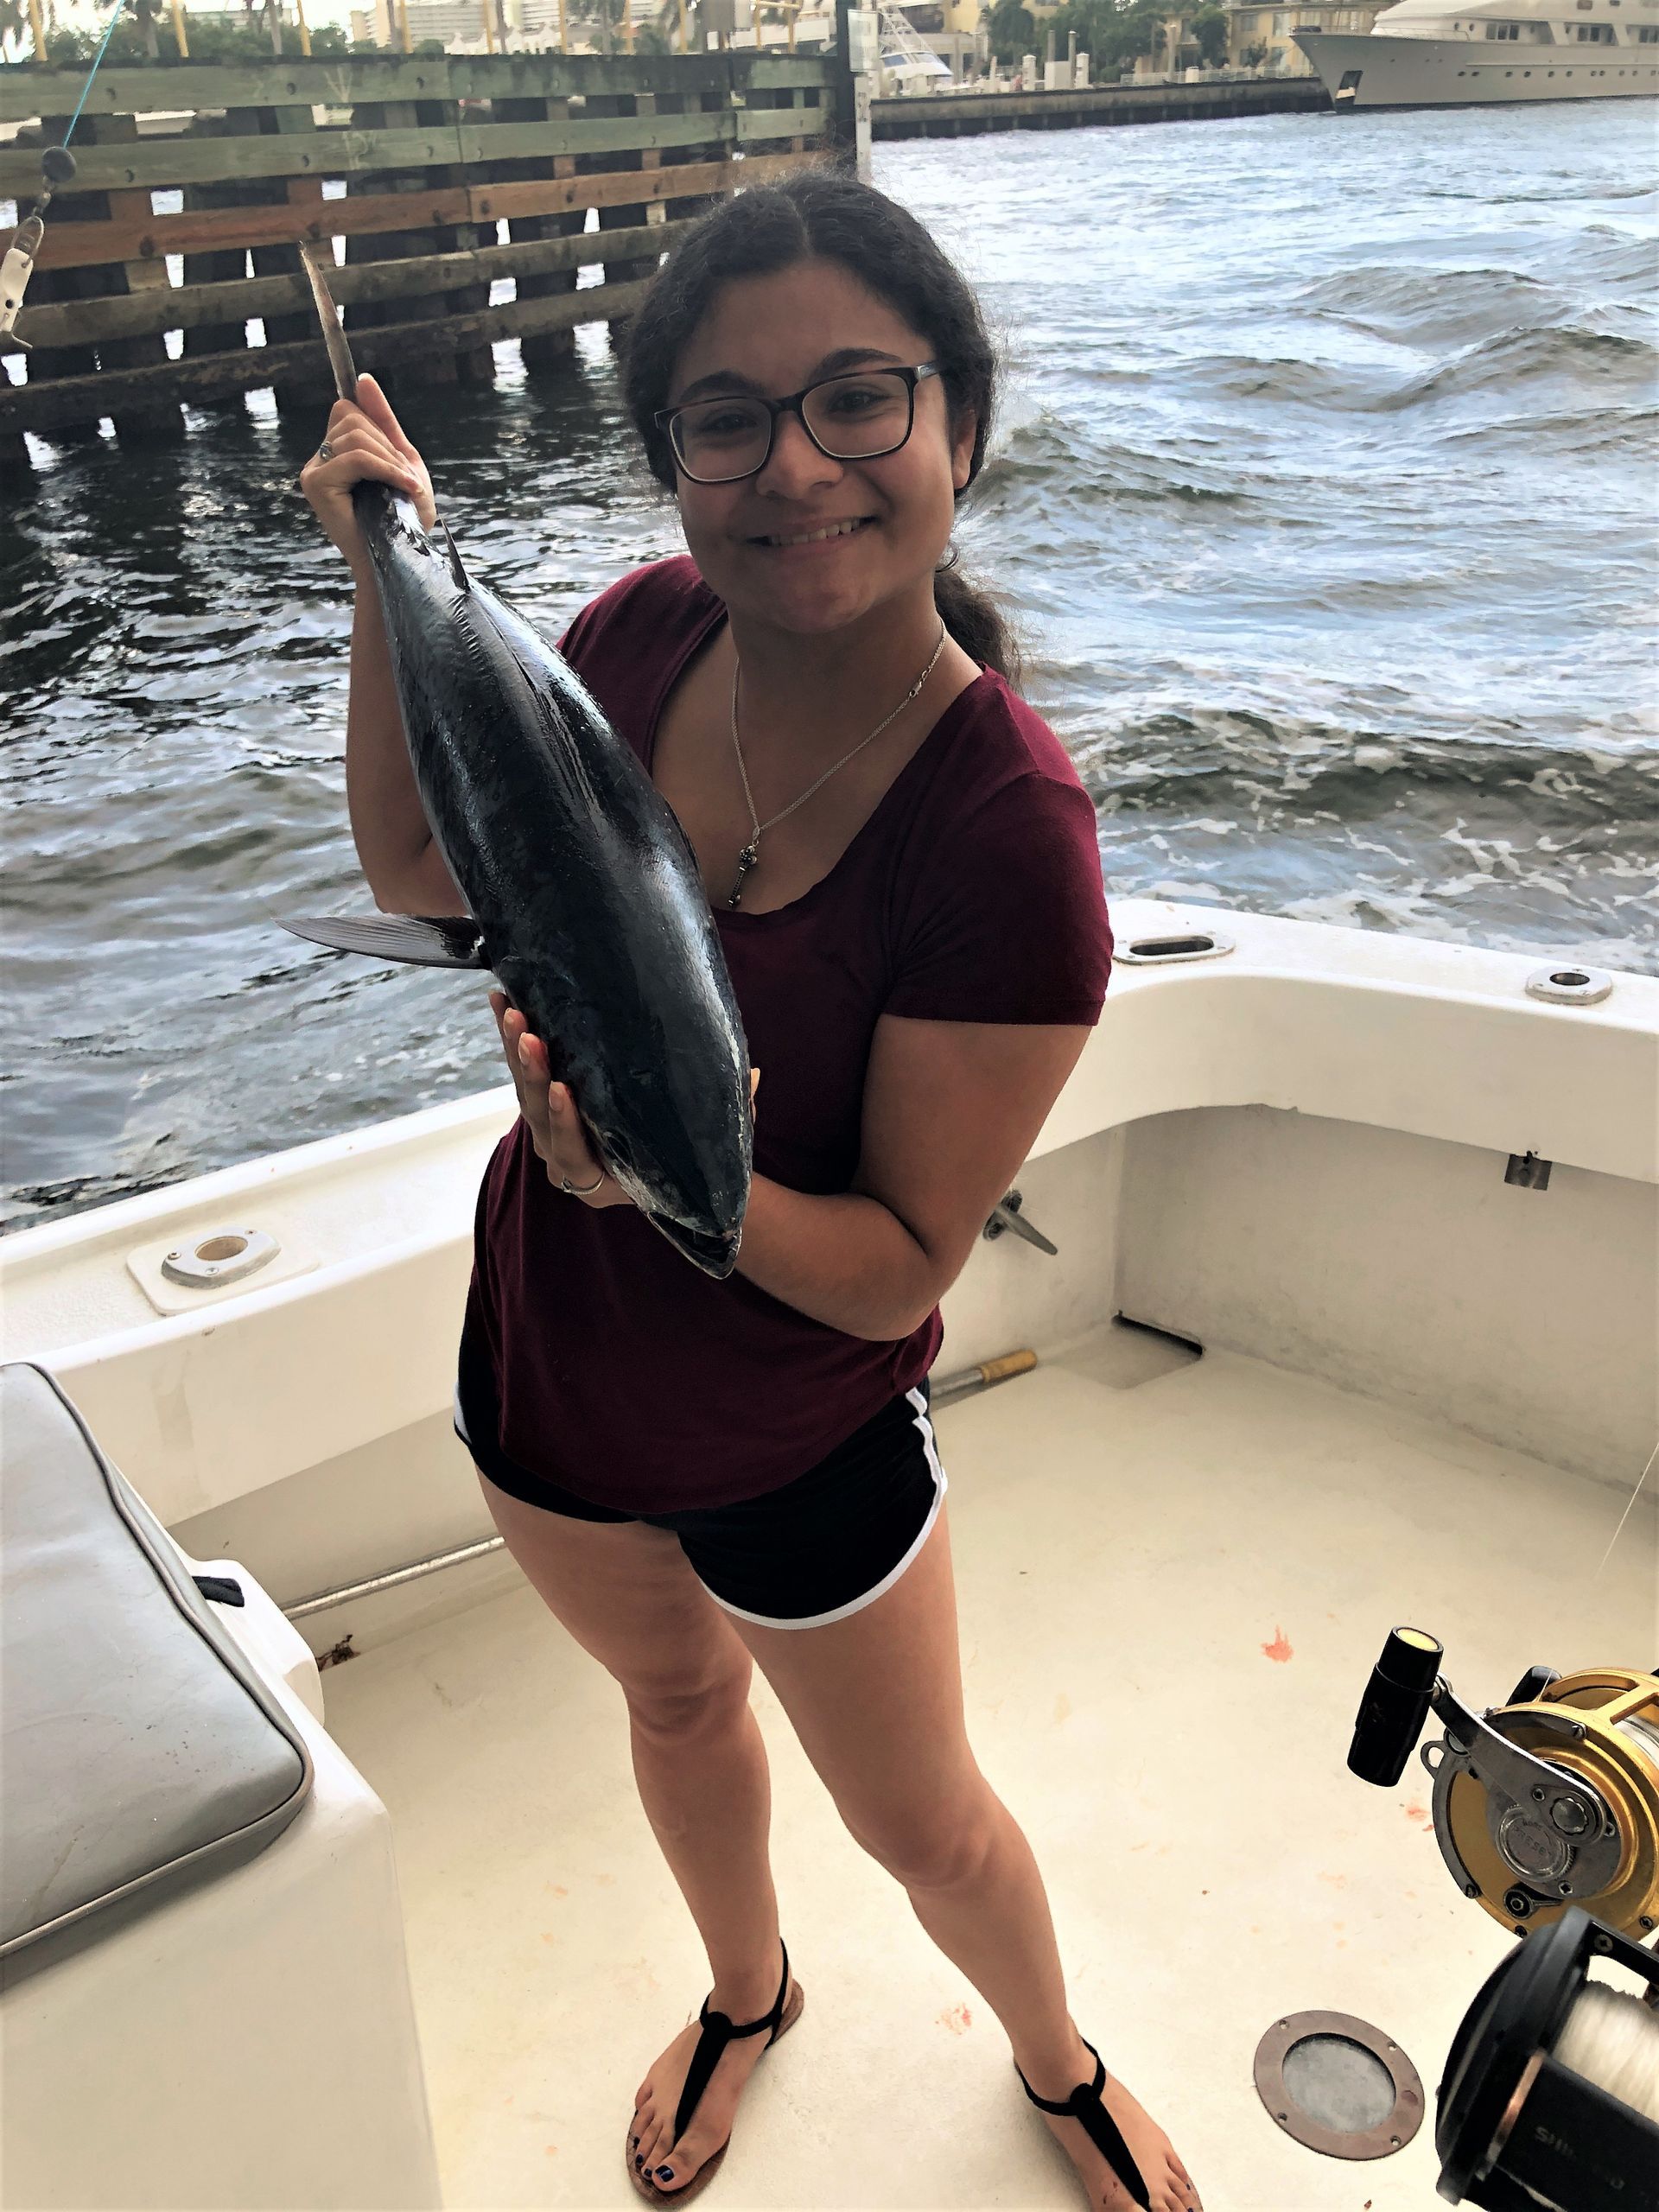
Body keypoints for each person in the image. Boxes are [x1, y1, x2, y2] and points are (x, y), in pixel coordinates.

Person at [300, 168, 1199, 2212]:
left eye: (860, 399)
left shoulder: (1009, 834)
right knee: (675, 1698)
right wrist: (387, 557)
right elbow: (424, 873)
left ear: (958, 426)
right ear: (676, 464)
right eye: (728, 418)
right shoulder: (635, 628)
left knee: (929, 1824)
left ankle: (1053, 2062)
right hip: (545, 1368)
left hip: (797, 1433)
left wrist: (661, 1197)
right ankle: (746, 1989)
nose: (795, 465)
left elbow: (892, 1272)